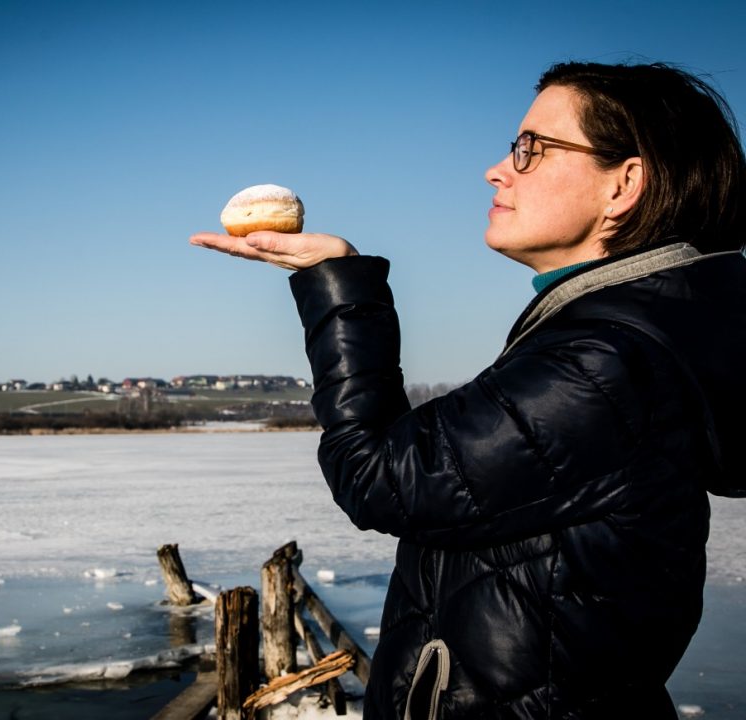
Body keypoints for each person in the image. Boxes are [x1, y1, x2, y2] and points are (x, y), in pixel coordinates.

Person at [190, 61, 746, 719]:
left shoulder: (606, 363)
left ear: (624, 183)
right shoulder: (632, 337)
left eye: (532, 150)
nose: (499, 169)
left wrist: (340, 287)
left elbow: (382, 476)